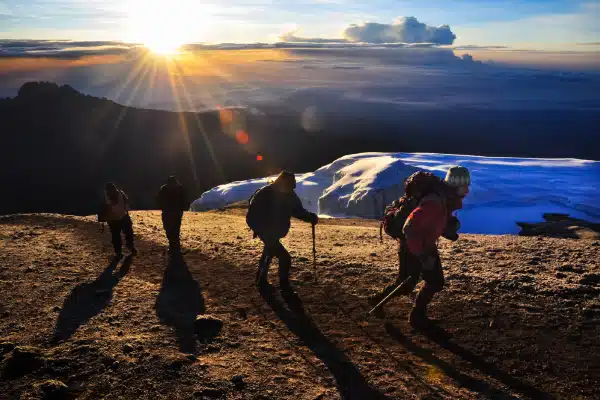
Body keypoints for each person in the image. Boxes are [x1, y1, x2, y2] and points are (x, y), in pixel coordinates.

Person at [370, 166, 470, 327]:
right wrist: (422, 256)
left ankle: (417, 316)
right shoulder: (435, 202)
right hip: (413, 246)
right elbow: (409, 228)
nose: (467, 189)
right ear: (456, 186)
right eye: (465, 185)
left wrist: (447, 228)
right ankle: (378, 301)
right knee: (407, 283)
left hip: (424, 244)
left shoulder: (444, 199)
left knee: (432, 280)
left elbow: (431, 222)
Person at [246, 171, 319, 291]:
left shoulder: (289, 194)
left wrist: (310, 217)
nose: (290, 188)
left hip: (275, 231)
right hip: (266, 232)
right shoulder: (265, 193)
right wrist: (261, 230)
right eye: (289, 185)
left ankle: (261, 280)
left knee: (268, 253)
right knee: (284, 257)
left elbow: (297, 210)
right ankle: (284, 285)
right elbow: (252, 214)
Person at [103, 183, 137, 258]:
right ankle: (131, 247)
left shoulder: (106, 197)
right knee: (128, 233)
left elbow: (104, 208)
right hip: (123, 216)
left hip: (112, 219)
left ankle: (118, 252)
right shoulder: (121, 193)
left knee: (115, 236)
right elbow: (127, 203)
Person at [157, 176, 188, 254]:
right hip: (177, 212)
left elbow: (159, 199)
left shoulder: (164, 188)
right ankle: (176, 246)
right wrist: (183, 208)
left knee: (168, 229)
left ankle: (172, 245)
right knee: (176, 229)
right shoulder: (180, 188)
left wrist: (161, 207)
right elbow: (184, 199)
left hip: (167, 212)